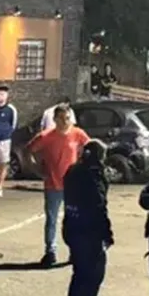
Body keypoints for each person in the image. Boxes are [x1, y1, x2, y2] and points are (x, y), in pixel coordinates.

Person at [26, 105, 90, 267]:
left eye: (67, 118)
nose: (65, 121)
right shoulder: (46, 136)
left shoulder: (78, 134)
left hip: (72, 185)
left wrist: (84, 168)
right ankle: (51, 251)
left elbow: (91, 148)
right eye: (61, 118)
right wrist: (37, 170)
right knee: (52, 219)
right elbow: (29, 151)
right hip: (53, 184)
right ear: (55, 120)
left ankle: (74, 251)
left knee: (73, 220)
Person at [61, 140, 113, 296]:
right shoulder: (92, 176)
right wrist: (107, 234)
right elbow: (99, 207)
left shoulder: (73, 171)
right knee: (88, 275)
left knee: (85, 273)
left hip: (72, 228)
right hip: (88, 232)